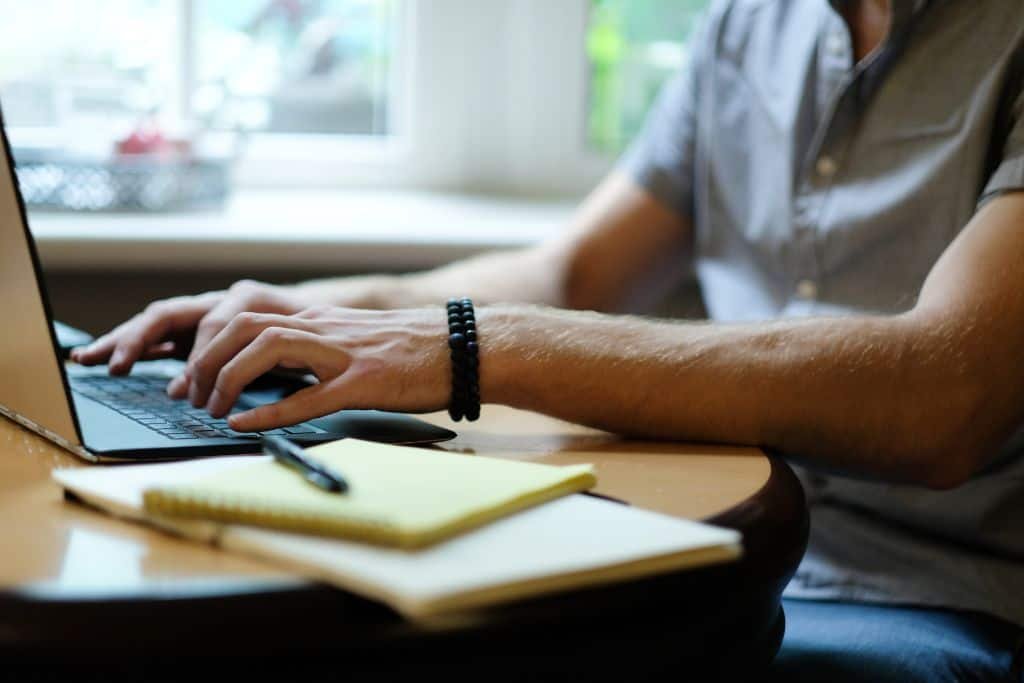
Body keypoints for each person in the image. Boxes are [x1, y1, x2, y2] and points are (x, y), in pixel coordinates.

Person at [73, 0, 1024, 679]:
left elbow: (941, 398)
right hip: (715, 554)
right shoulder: (749, 22)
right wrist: (313, 310)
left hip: (931, 599)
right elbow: (571, 276)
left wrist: (466, 345)